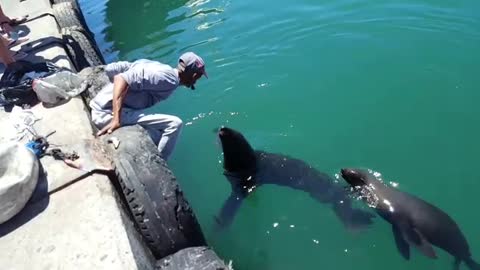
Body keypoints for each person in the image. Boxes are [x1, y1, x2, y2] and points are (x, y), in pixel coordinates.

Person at [91, 52, 208, 160]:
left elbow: (113, 69)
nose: (196, 81)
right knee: (175, 124)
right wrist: (116, 119)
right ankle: (161, 165)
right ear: (193, 76)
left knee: (156, 136)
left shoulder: (156, 66)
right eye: (198, 77)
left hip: (102, 105)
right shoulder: (168, 80)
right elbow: (120, 78)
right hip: (106, 113)